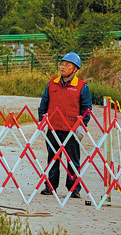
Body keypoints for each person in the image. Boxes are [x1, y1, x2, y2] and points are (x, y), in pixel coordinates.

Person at [38, 52, 92, 198]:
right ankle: (50, 186)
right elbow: (44, 103)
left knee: (73, 160)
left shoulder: (81, 86)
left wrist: (82, 127)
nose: (63, 67)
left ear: (75, 69)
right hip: (53, 127)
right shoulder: (52, 83)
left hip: (72, 128)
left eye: (67, 65)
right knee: (52, 157)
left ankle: (74, 188)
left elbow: (87, 109)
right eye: (62, 64)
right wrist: (41, 121)